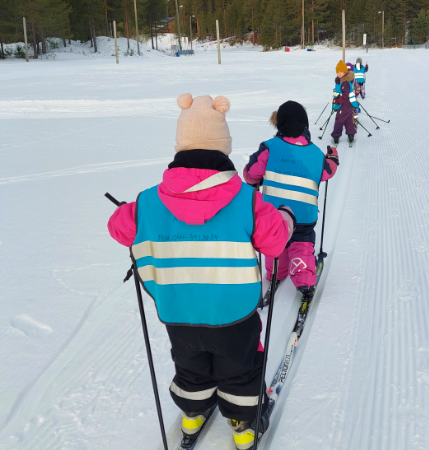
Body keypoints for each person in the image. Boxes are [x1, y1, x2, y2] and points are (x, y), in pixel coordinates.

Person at [107, 93, 295, 450]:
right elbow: (274, 242)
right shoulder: (246, 199)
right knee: (240, 369)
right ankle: (243, 425)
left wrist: (134, 212)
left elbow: (118, 227)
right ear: (223, 148)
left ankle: (192, 414)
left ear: (180, 147)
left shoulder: (148, 201)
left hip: (177, 312)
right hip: (234, 315)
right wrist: (285, 215)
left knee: (190, 365)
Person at [243, 101, 340, 298]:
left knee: (275, 238)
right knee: (302, 243)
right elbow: (327, 172)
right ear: (305, 125)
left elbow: (251, 174)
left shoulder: (269, 147)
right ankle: (304, 279)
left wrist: (256, 177)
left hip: (274, 212)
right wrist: (333, 159)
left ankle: (275, 272)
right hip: (304, 214)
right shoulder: (316, 153)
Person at [331, 60, 360, 146]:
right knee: (348, 120)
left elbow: (345, 96)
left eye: (341, 72)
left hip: (344, 104)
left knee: (339, 120)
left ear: (345, 72)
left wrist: (337, 100)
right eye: (338, 72)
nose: (339, 74)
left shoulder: (345, 82)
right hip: (347, 105)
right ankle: (351, 135)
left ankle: (336, 136)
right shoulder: (341, 81)